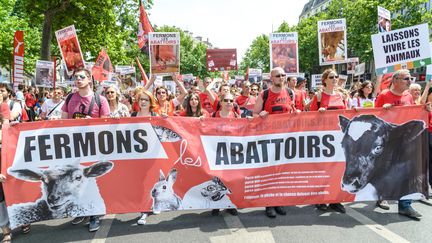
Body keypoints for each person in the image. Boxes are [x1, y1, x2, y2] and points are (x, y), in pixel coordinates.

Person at [61, 67, 109, 232]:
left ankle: (94, 214)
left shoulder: (100, 100)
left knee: (90, 180)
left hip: (93, 146)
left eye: (81, 76)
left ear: (89, 79)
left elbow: (106, 125)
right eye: (76, 77)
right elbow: (62, 123)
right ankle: (82, 210)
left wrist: (92, 122)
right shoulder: (69, 99)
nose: (78, 79)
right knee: (75, 179)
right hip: (74, 147)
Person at [375, 69, 421, 220]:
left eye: (410, 78)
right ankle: (382, 195)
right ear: (395, 80)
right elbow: (374, 117)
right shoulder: (383, 95)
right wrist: (383, 110)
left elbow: (414, 112)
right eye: (406, 79)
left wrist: (425, 109)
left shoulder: (408, 96)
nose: (410, 81)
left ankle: (405, 205)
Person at [253, 67, 295, 218]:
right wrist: (260, 114)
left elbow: (294, 111)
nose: (282, 77)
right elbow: (254, 113)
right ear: (271, 78)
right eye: (278, 75)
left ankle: (279, 201)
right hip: (268, 140)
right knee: (269, 172)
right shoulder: (264, 94)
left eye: (284, 75)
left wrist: (296, 113)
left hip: (285, 139)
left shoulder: (290, 93)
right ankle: (269, 204)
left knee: (282, 172)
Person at [309, 69, 347, 214]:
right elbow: (310, 118)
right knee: (323, 169)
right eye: (332, 77)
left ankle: (335, 199)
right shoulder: (319, 96)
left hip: (339, 136)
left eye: (336, 77)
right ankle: (321, 198)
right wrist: (319, 113)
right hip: (323, 138)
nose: (335, 79)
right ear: (325, 80)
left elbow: (346, 114)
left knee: (338, 168)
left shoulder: (341, 95)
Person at [132, 89, 159, 225]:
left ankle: (147, 208)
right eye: (141, 99)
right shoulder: (132, 116)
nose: (143, 102)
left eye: (146, 100)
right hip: (136, 157)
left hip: (152, 156)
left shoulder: (156, 115)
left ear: (151, 103)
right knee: (140, 184)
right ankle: (144, 209)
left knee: (150, 182)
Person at [210, 92, 239, 216]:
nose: (228, 102)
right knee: (217, 179)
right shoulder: (213, 115)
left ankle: (230, 204)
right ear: (220, 102)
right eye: (226, 100)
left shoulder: (237, 116)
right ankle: (216, 205)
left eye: (231, 100)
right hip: (216, 150)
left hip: (232, 152)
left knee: (230, 179)